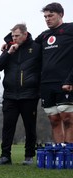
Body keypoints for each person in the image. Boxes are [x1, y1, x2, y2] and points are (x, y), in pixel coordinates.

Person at [0, 24, 41, 166]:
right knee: (7, 127)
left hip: (29, 94)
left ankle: (29, 156)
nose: (14, 38)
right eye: (13, 36)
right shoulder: (8, 48)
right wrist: (8, 53)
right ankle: (5, 156)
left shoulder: (36, 48)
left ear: (25, 34)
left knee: (29, 127)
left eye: (17, 36)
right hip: (10, 95)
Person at [35, 2, 73, 143]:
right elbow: (28, 45)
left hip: (65, 82)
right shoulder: (44, 36)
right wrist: (9, 43)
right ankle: (59, 153)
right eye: (45, 17)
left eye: (51, 15)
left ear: (61, 14)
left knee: (68, 118)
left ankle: (69, 155)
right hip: (46, 84)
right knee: (54, 120)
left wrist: (71, 79)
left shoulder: (70, 28)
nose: (47, 19)